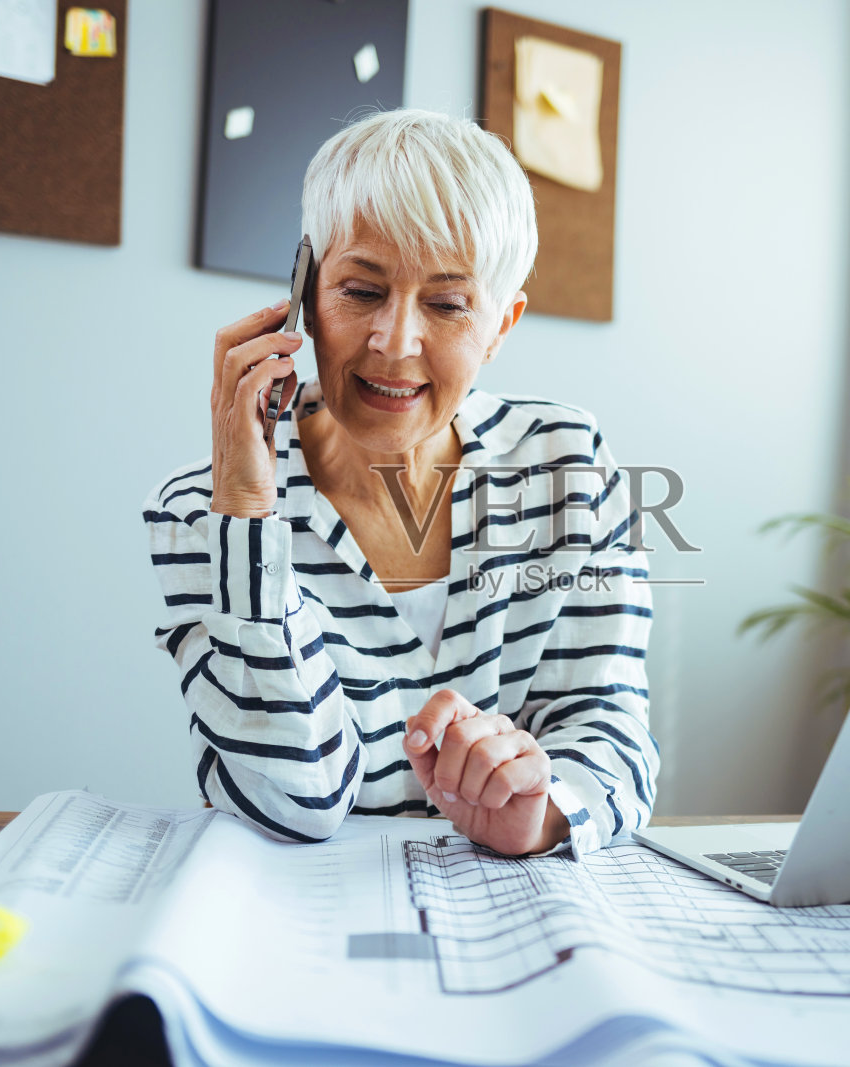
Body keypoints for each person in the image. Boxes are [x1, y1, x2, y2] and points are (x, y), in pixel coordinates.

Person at [143, 109, 656, 856]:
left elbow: (611, 727)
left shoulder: (567, 464)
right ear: (305, 297)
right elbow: (293, 801)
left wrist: (543, 811)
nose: (395, 341)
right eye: (360, 291)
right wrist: (249, 512)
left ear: (500, 326)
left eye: (447, 304)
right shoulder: (201, 510)